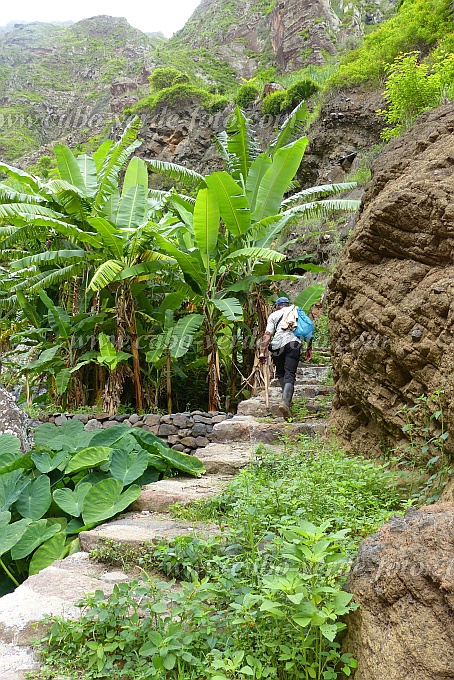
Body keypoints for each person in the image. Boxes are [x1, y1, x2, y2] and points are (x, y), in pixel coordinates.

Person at [259, 296, 312, 419]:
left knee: (281, 373)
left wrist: (262, 352)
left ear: (278, 306)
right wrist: (309, 348)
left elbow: (267, 334)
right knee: (290, 374)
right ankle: (285, 402)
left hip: (277, 345)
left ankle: (286, 400)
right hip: (293, 344)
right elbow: (308, 328)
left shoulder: (274, 315)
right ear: (287, 304)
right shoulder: (296, 311)